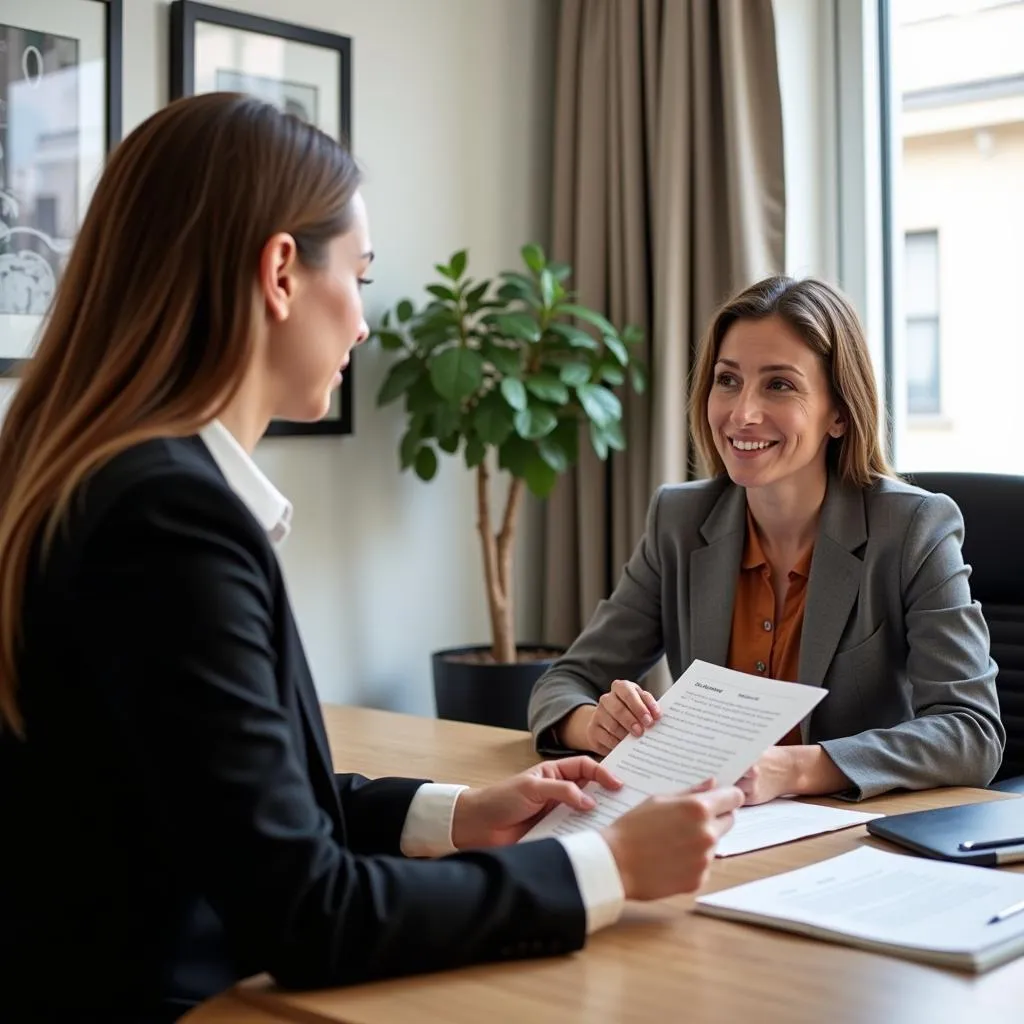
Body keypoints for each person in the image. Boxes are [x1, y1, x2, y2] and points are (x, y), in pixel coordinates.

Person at [0, 94, 743, 1023]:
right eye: (359, 273)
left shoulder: (99, 480)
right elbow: (309, 913)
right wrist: (607, 866)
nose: (361, 323)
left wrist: (458, 814)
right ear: (280, 271)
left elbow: (236, 812)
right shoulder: (169, 519)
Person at [529, 275, 1005, 803]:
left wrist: (795, 770)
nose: (742, 413)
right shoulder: (680, 520)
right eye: (727, 380)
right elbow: (562, 683)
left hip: (853, 837)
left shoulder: (913, 529)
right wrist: (595, 724)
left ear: (840, 414)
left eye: (779, 384)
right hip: (719, 829)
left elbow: (971, 732)